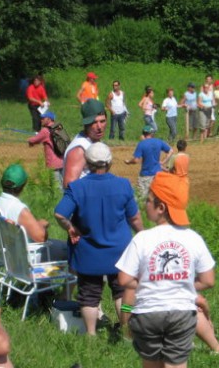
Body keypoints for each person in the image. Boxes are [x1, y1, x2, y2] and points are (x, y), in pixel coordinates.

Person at [116, 171, 216, 368]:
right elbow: (208, 280)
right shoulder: (193, 238)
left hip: (147, 314)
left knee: (151, 363)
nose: (145, 204)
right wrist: (180, 281)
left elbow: (124, 280)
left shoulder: (142, 238)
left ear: (161, 208)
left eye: (148, 200)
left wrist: (150, 281)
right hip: (182, 313)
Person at [55, 142, 144, 336]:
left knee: (89, 294)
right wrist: (143, 235)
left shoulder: (76, 188)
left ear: (87, 163)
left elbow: (60, 214)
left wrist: (71, 228)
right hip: (120, 253)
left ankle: (91, 334)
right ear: (110, 162)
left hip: (89, 253)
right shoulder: (123, 185)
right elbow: (135, 218)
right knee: (122, 292)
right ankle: (126, 329)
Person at [0, 164, 67, 261]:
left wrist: (36, 224)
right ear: (23, 186)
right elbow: (41, 238)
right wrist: (42, 225)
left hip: (7, 255)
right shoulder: (18, 209)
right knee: (69, 250)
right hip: (25, 259)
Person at [62, 99, 106, 188]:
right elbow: (69, 186)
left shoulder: (93, 142)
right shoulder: (80, 149)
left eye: (102, 121)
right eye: (94, 122)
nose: (99, 127)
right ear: (86, 124)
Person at [125, 125, 173, 199]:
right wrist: (163, 161)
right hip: (158, 174)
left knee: (141, 198)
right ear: (152, 134)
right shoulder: (158, 141)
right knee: (156, 197)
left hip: (145, 175)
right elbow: (171, 150)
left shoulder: (142, 144)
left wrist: (128, 162)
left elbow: (136, 160)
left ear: (143, 134)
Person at [28, 111, 64, 190]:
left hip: (53, 163)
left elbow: (34, 140)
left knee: (56, 188)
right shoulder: (59, 128)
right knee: (63, 185)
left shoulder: (45, 130)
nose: (41, 120)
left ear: (49, 119)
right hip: (62, 161)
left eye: (43, 118)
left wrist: (29, 141)